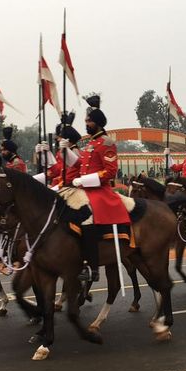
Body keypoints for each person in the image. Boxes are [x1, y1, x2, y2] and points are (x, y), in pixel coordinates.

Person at [70, 95, 130, 283]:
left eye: (88, 121)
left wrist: (83, 181)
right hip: (86, 189)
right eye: (86, 121)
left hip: (100, 191)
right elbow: (80, 164)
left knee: (86, 218)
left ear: (96, 123)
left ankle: (92, 266)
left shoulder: (107, 142)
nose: (86, 124)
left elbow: (110, 172)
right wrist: (65, 151)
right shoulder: (91, 143)